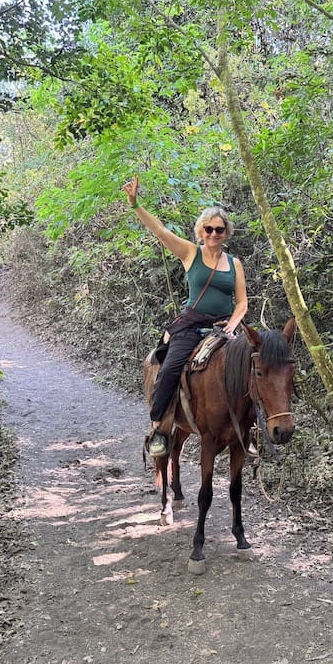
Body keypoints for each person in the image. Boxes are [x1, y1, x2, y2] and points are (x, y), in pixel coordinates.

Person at [121, 175, 249, 456]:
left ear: (226, 233)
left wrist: (231, 327)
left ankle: (247, 430)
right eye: (209, 229)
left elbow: (241, 303)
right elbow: (160, 231)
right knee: (169, 369)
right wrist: (135, 204)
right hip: (191, 325)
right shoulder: (191, 253)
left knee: (253, 368)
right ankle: (158, 429)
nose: (213, 234)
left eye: (219, 229)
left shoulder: (235, 264)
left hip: (224, 325)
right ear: (201, 231)